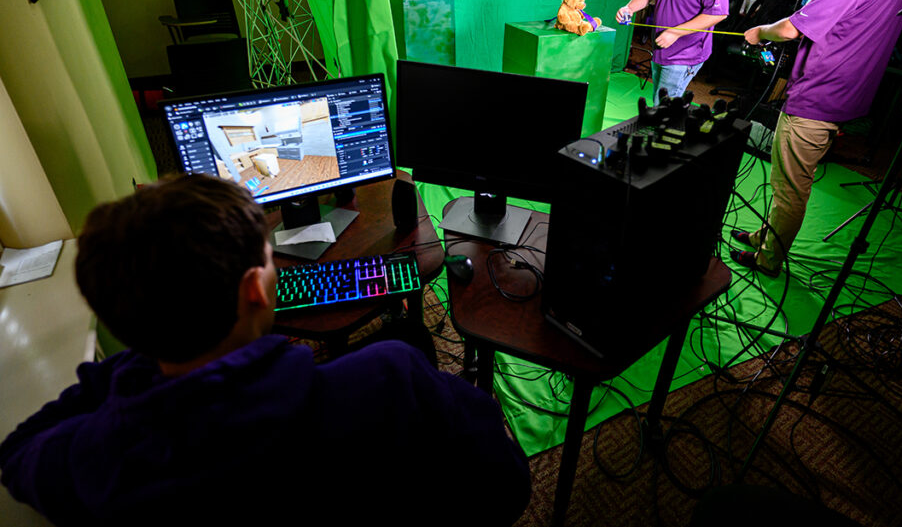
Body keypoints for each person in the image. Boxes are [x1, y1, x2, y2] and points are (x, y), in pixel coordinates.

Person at [0, 174, 531, 526]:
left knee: (407, 336)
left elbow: (17, 452)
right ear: (257, 289)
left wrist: (141, 360)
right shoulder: (387, 380)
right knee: (408, 342)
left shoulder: (101, 459)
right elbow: (507, 487)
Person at [731, 0, 902, 277]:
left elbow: (794, 29)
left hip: (817, 98)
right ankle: (767, 236)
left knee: (789, 186)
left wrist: (759, 31)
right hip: (848, 93)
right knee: (789, 183)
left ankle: (768, 258)